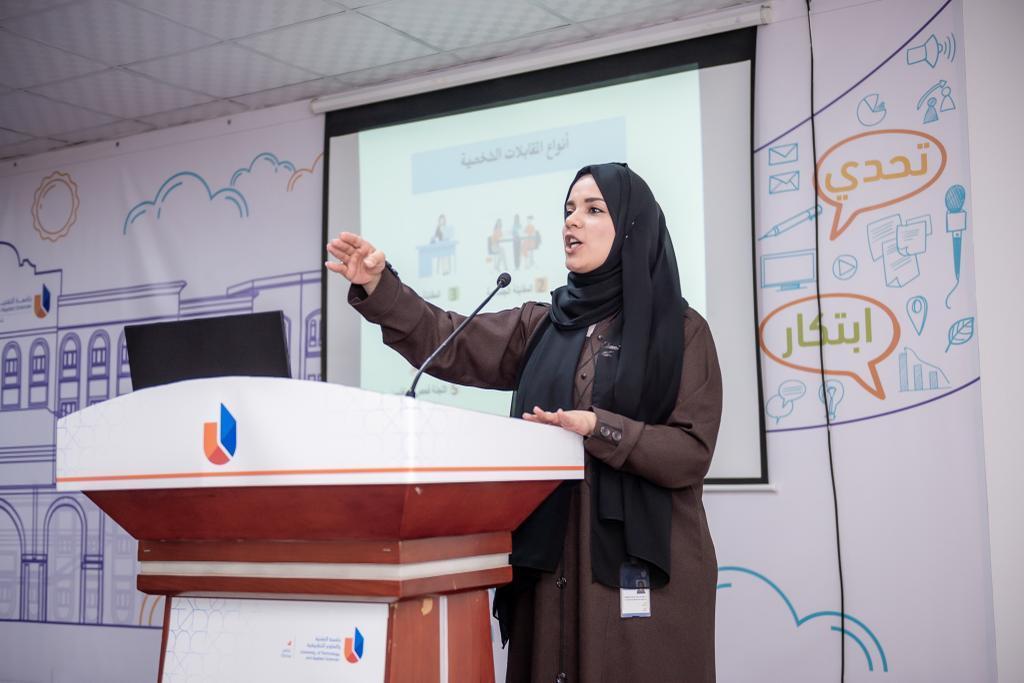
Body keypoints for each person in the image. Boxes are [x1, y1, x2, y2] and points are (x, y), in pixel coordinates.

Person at [326, 163, 722, 682]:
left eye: (593, 210)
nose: (571, 222)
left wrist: (598, 428)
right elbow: (449, 339)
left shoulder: (681, 332)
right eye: (568, 209)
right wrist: (380, 286)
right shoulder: (543, 325)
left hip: (639, 576)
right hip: (550, 571)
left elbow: (690, 452)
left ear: (631, 228)